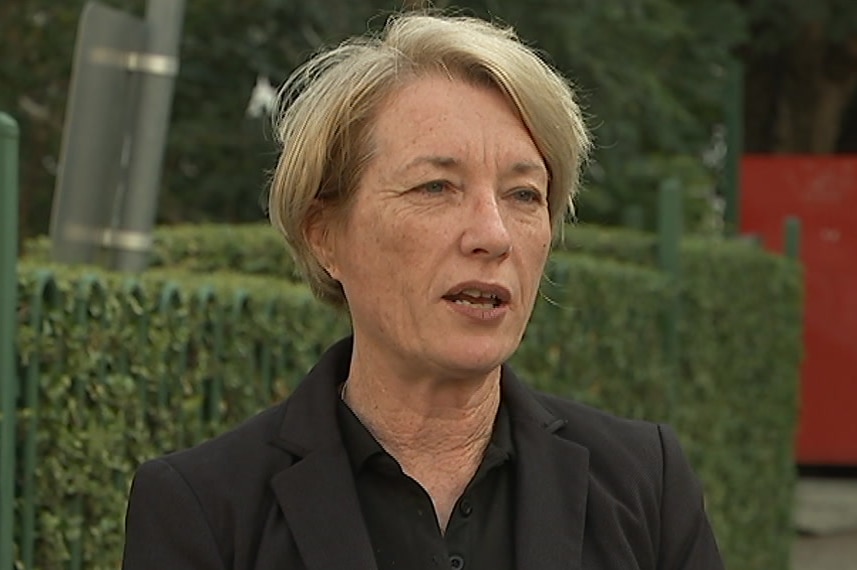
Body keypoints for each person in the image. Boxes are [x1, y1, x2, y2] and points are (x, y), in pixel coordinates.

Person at [122, 11, 724, 570]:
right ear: (325, 235)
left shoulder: (645, 485)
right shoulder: (202, 510)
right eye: (436, 187)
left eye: (523, 195)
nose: (492, 234)